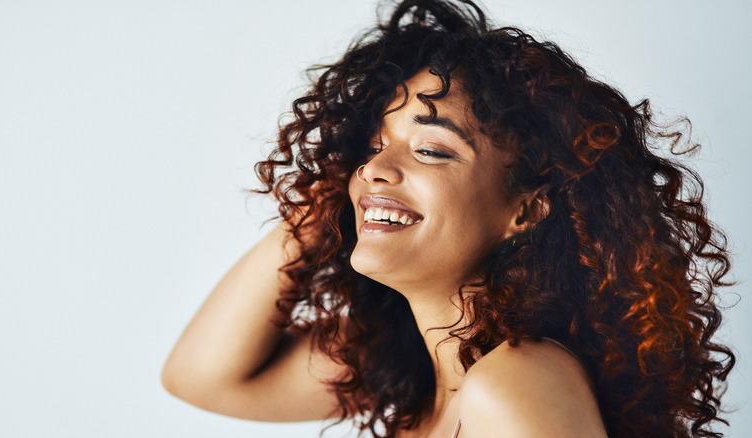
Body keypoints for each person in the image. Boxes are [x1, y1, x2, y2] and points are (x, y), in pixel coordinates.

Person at [161, 0, 735, 436]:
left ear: (526, 210)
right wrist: (332, 200)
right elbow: (202, 379)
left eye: (431, 149)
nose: (376, 168)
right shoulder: (412, 364)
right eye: (374, 145)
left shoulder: (514, 380)